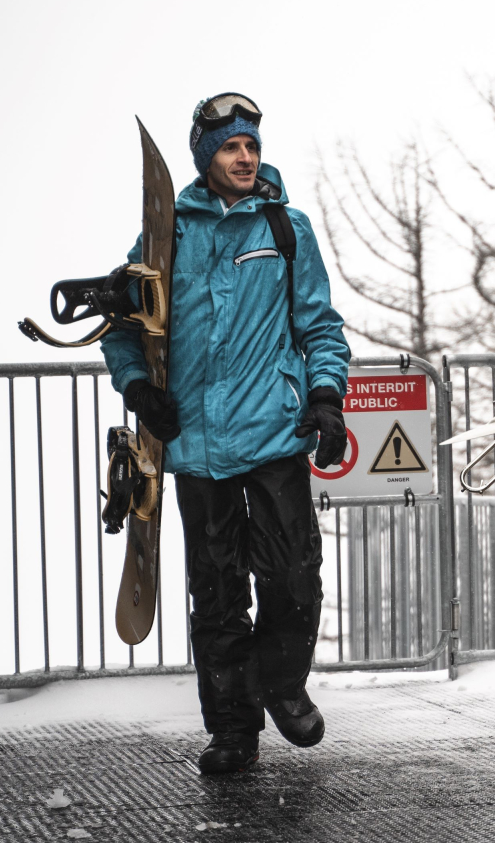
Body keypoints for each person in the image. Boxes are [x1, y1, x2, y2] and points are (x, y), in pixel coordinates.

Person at [100, 93, 351, 775]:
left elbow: (320, 327)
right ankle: (233, 730)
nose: (246, 157)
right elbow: (123, 328)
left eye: (253, 147)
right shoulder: (166, 237)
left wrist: (326, 397)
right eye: (233, 147)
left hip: (273, 434)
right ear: (207, 157)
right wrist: (138, 388)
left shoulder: (285, 227)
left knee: (293, 576)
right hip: (198, 447)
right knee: (216, 594)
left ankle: (282, 683)